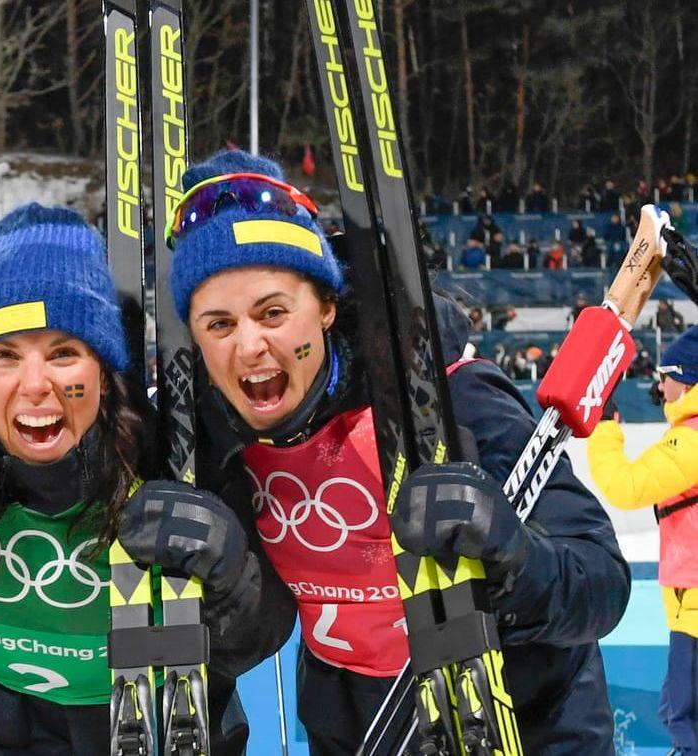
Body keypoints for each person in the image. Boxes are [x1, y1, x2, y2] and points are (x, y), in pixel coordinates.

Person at [136, 150, 627, 753]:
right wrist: (224, 575)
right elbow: (256, 631)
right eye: (219, 324)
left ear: (325, 307)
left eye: (273, 313)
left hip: (524, 714)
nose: (250, 345)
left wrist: (515, 558)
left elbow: (601, 583)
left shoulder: (446, 394)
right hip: (359, 721)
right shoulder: (210, 443)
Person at [0, 203, 284, 755]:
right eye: (4, 356)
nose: (35, 385)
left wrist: (232, 570)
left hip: (152, 729)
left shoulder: (173, 452)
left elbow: (256, 640)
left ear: (102, 373)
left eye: (64, 354)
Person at [587, 326, 698, 755]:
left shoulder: (689, 441)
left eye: (666, 375)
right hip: (687, 601)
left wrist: (603, 430)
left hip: (694, 604)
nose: (658, 384)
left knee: (685, 716)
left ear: (686, 381)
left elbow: (626, 486)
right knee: (677, 707)